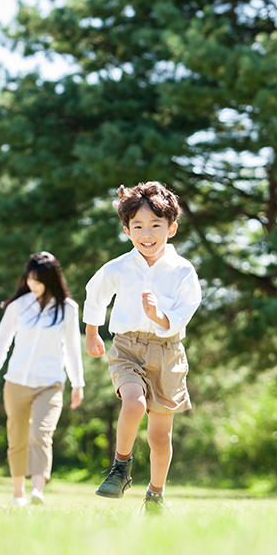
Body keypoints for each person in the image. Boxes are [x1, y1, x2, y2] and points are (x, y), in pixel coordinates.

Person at [83, 181, 202, 513]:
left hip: (168, 352)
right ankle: (120, 467)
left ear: (171, 228)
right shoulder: (120, 267)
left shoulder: (182, 271)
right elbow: (96, 295)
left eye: (155, 226)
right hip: (127, 348)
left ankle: (155, 494)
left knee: (160, 437)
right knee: (133, 403)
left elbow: (185, 310)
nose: (146, 233)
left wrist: (158, 314)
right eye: (138, 226)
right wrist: (92, 332)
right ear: (127, 230)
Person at [0, 252, 85, 506]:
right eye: (29, 279)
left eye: (38, 280)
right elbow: (1, 340)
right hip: (17, 380)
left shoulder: (67, 309)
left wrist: (78, 383)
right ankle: (18, 493)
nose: (32, 285)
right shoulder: (18, 306)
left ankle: (37, 491)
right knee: (16, 437)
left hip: (49, 383)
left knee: (41, 434)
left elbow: (72, 349)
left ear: (51, 280)